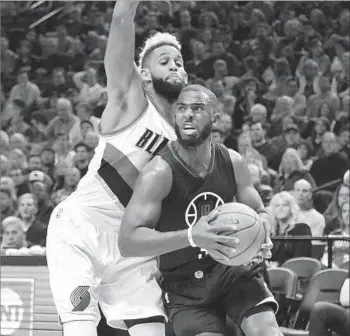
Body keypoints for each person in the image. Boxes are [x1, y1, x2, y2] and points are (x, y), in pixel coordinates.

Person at [46, 1, 189, 336]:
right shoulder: (128, 98)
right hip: (80, 231)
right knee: (80, 328)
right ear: (142, 73)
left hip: (132, 245)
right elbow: (122, 16)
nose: (174, 66)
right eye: (164, 61)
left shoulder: (186, 138)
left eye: (179, 63)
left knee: (151, 330)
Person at [118, 85, 280, 336]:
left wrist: (264, 227)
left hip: (232, 270)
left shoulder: (232, 161)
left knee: (267, 331)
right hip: (184, 283)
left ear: (215, 118)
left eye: (196, 108)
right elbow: (128, 242)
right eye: (181, 108)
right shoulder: (158, 172)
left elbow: (260, 210)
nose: (187, 115)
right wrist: (193, 236)